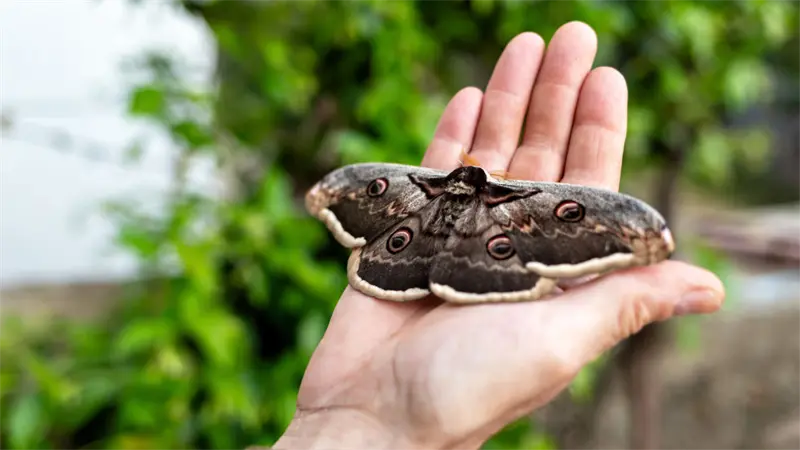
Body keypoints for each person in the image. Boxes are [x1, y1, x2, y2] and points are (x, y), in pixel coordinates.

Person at [270, 21, 725, 450]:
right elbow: (353, 188)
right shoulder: (430, 184)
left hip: (425, 244)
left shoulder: (461, 189)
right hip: (457, 245)